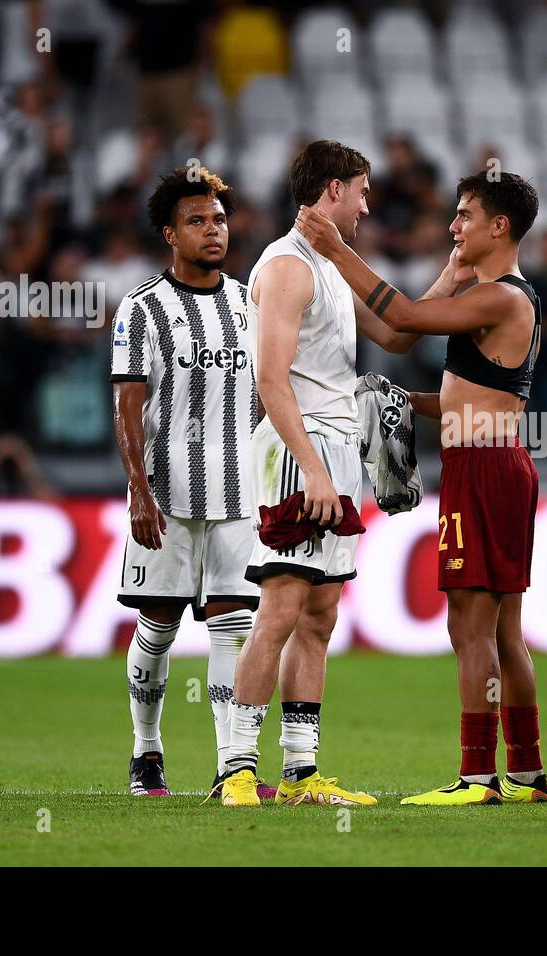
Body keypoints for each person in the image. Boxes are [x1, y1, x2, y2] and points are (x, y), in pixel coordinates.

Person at [296, 172, 547, 806]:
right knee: (504, 633)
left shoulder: (500, 298)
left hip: (484, 471)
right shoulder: (511, 297)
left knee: (469, 627)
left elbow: (405, 317)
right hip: (500, 461)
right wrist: (403, 401)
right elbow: (470, 399)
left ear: (499, 227)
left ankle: (476, 778)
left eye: (464, 216)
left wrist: (334, 250)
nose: (452, 227)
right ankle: (526, 774)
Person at [217, 140, 379, 809]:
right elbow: (270, 378)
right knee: (281, 606)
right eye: (362, 191)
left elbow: (393, 330)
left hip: (337, 450)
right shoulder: (286, 265)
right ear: (333, 190)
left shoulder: (333, 265)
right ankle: (235, 772)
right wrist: (311, 468)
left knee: (320, 613)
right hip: (298, 450)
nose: (368, 205)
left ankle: (301, 775)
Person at [110, 165, 263, 798]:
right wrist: (138, 489)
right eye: (197, 221)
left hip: (238, 494)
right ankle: (146, 750)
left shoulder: (249, 301)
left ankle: (233, 765)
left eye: (219, 220)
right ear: (170, 233)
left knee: (234, 626)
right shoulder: (142, 308)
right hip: (166, 497)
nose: (213, 230)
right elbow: (126, 404)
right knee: (160, 624)